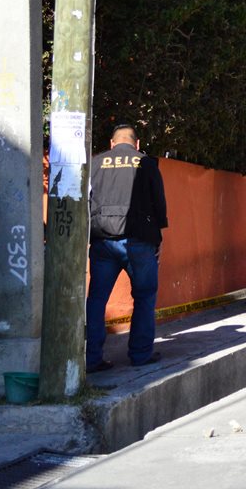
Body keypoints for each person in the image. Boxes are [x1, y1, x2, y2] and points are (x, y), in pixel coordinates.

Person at [85, 124, 168, 373]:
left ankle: (91, 358)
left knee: (97, 299)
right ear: (137, 143)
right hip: (139, 241)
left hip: (102, 240)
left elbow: (86, 199)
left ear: (112, 143)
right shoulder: (147, 163)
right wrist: (157, 237)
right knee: (144, 297)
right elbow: (158, 204)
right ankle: (140, 355)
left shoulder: (96, 163)